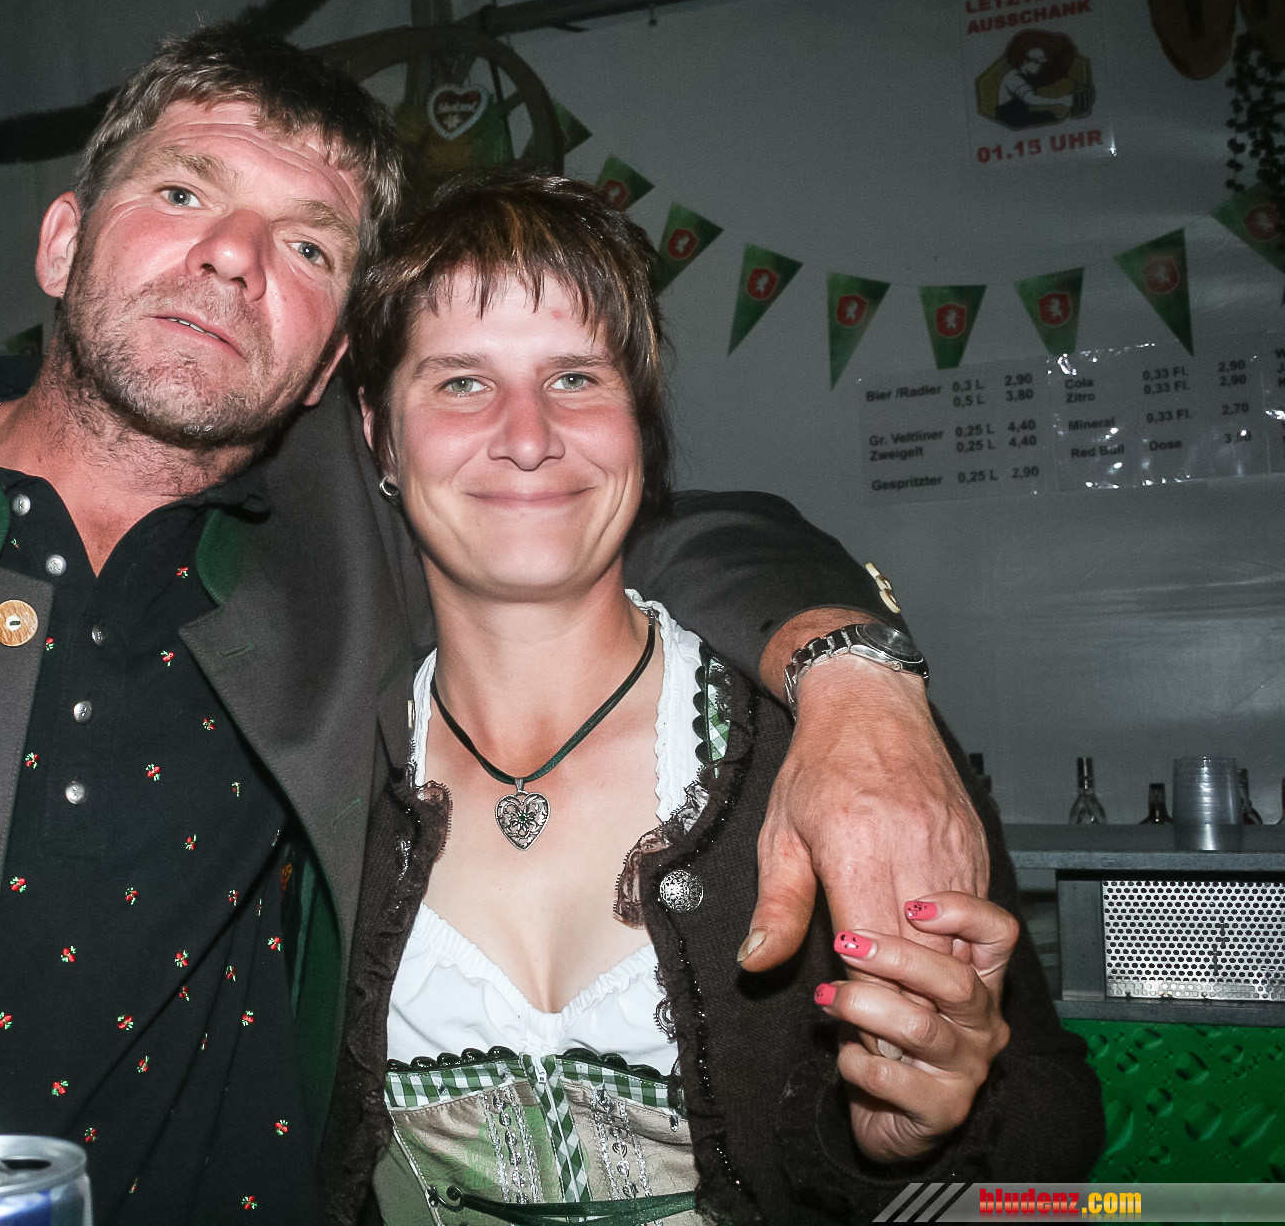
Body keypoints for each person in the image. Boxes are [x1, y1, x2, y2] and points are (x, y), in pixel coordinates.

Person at [0, 26, 984, 1225]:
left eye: (306, 243)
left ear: (333, 354)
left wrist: (858, 684)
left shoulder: (362, 531)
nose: (231, 258)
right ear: (65, 239)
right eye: (186, 191)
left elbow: (643, 513)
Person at [310, 173, 1103, 1222]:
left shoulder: (833, 740)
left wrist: (899, 1136)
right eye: (461, 382)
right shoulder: (326, 763)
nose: (529, 436)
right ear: (377, 433)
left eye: (576, 378)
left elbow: (1051, 1113)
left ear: (640, 420)